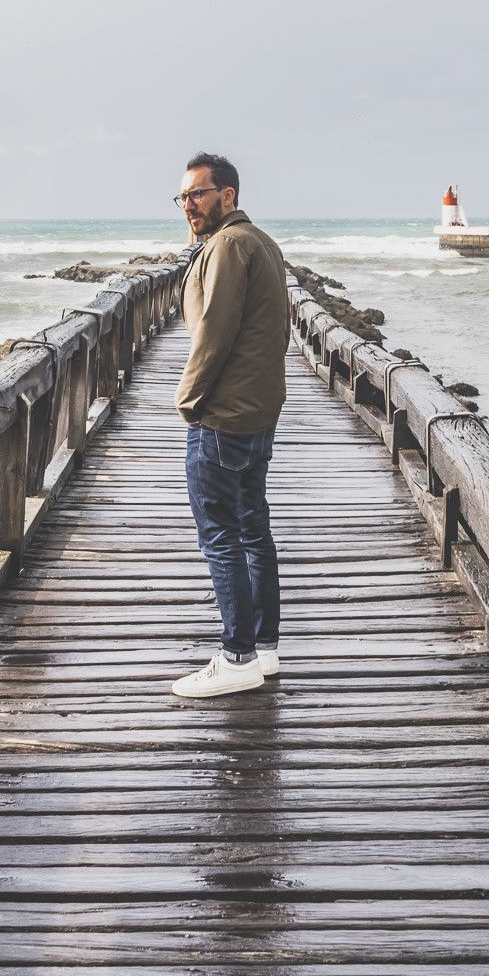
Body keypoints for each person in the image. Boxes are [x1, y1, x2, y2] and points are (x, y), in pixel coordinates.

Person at [170, 152, 291, 697]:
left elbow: (213, 333)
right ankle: (263, 649)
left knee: (220, 534)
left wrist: (188, 399)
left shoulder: (228, 245)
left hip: (223, 415)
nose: (189, 205)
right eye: (184, 196)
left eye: (198, 193)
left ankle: (236, 656)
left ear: (228, 196)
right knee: (251, 529)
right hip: (257, 410)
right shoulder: (261, 242)